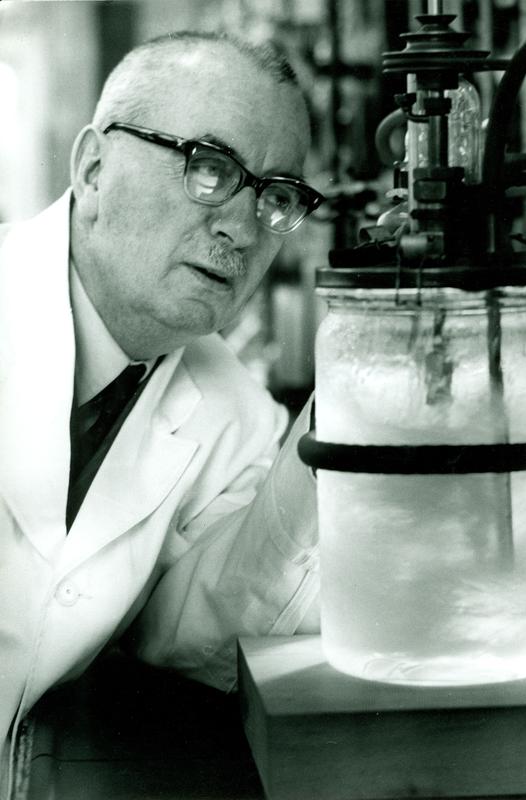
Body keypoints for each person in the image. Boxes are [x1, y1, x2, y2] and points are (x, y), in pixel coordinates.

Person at [0, 30, 323, 794]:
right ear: (93, 169)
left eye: (275, 196)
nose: (242, 229)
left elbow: (198, 636)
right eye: (209, 168)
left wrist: (343, 426)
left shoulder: (236, 414)